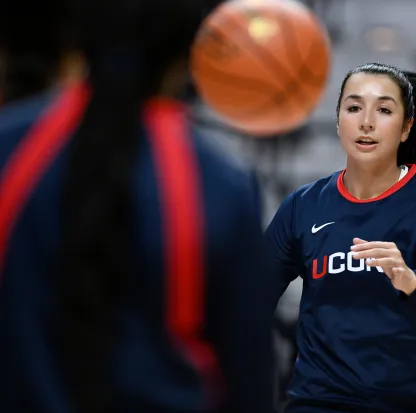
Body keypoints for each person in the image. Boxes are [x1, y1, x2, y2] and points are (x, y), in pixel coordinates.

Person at [0, 1, 274, 412]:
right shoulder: (220, 186)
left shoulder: (11, 151)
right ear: (189, 53)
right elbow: (248, 388)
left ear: (75, 39)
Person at [265, 62, 416, 413]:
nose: (366, 122)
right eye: (354, 107)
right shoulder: (303, 205)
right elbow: (249, 301)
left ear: (406, 128)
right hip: (322, 400)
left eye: (384, 110)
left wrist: (414, 285)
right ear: (338, 120)